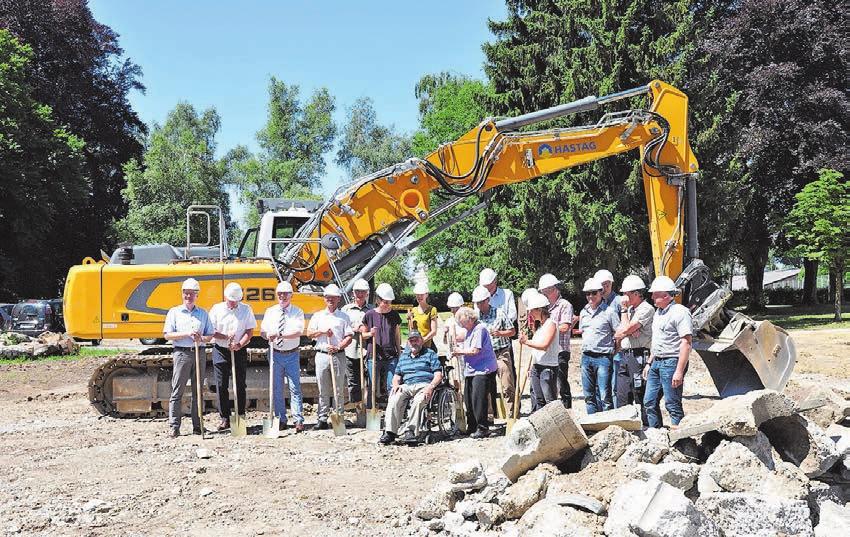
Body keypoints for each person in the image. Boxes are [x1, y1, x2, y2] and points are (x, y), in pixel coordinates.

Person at [163, 278, 214, 438]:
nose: (189, 296)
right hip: (182, 353)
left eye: (192, 293)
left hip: (199, 352)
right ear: (182, 294)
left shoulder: (203, 313)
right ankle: (174, 426)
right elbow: (167, 335)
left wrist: (202, 338)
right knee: (177, 390)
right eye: (186, 293)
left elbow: (210, 335)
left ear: (196, 295)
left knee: (198, 391)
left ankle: (198, 426)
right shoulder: (174, 312)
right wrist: (186, 334)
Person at [642, 276, 693, 428]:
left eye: (655, 294)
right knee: (649, 402)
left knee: (672, 404)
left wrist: (679, 371)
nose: (652, 297)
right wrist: (649, 363)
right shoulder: (658, 313)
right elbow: (657, 341)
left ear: (666, 295)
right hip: (657, 362)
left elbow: (686, 343)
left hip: (672, 362)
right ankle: (656, 434)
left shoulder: (680, 312)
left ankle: (680, 441)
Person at [379, 330, 443, 445]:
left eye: (416, 340)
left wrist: (431, 387)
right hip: (407, 385)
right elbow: (397, 376)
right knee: (394, 397)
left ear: (421, 341)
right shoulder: (403, 357)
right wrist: (395, 385)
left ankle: (411, 431)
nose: (414, 343)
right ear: (408, 343)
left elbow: (438, 374)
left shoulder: (430, 354)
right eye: (411, 340)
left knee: (418, 401)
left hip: (424, 384)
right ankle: (390, 432)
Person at [208, 282, 256, 432]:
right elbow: (210, 330)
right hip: (220, 349)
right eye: (231, 300)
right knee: (221, 385)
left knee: (240, 384)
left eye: (236, 301)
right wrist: (225, 336)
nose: (233, 303)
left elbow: (249, 331)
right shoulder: (216, 309)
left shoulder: (246, 309)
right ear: (225, 297)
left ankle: (240, 416)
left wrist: (240, 344)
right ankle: (225, 418)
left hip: (239, 350)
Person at [260, 281, 306, 432]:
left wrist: (279, 334)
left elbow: (298, 332)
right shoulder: (270, 312)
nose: (282, 296)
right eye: (280, 294)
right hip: (275, 354)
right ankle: (281, 419)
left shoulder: (298, 312)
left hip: (292, 354)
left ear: (291, 295)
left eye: (286, 294)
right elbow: (262, 332)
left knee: (295, 388)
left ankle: (298, 420)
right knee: (277, 389)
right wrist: (267, 335)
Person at [307, 284, 353, 430]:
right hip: (322, 355)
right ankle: (322, 418)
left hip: (338, 355)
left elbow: (349, 337)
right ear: (324, 298)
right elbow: (309, 333)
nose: (330, 299)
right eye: (327, 297)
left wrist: (339, 346)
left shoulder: (344, 317)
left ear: (338, 299)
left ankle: (339, 418)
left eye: (333, 297)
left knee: (338, 389)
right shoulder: (318, 316)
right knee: (323, 389)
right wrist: (321, 332)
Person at [613, 275, 654, 423]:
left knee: (639, 392)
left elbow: (625, 329)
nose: (624, 297)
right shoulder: (631, 310)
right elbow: (619, 333)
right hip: (625, 355)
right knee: (622, 393)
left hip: (638, 355)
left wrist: (626, 325)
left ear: (636, 293)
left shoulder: (646, 309)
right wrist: (628, 330)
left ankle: (645, 425)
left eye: (627, 294)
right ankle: (625, 425)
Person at [452, 306, 498, 439]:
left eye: (462, 322)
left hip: (483, 369)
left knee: (478, 398)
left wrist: (459, 352)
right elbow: (459, 338)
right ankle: (472, 425)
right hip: (471, 369)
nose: (461, 325)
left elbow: (475, 350)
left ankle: (483, 427)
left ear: (470, 319)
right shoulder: (469, 330)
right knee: (468, 398)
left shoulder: (480, 329)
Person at [577, 277, 620, 414]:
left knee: (604, 396)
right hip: (586, 356)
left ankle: (607, 427)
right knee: (589, 396)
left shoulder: (610, 312)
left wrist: (614, 351)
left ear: (601, 293)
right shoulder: (584, 313)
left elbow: (618, 334)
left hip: (603, 358)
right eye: (588, 293)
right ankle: (592, 424)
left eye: (593, 293)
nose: (590, 296)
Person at [472, 285, 516, 416]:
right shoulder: (476, 318)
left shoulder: (500, 313)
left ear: (487, 300)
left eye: (481, 302)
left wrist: (499, 333)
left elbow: (512, 331)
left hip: (501, 352)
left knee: (507, 384)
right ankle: (489, 415)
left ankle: (511, 415)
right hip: (485, 355)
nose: (479, 305)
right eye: (477, 303)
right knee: (486, 386)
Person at [361, 283, 403, 406]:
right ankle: (370, 410)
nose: (387, 305)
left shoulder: (394, 315)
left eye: (389, 302)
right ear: (378, 300)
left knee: (393, 384)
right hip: (374, 355)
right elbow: (363, 335)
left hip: (391, 356)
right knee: (372, 385)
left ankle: (393, 411)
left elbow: (396, 336)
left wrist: (399, 354)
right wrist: (370, 333)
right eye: (385, 302)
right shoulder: (369, 315)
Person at [537, 273, 574, 408]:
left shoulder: (564, 305)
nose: (545, 294)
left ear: (555, 289)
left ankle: (567, 409)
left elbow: (565, 326)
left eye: (547, 291)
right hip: (547, 351)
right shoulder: (544, 307)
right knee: (549, 383)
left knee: (561, 382)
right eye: (543, 292)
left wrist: (549, 330)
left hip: (560, 350)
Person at [520, 291, 560, 411]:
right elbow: (536, 350)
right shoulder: (539, 327)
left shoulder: (551, 324)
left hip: (548, 367)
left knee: (550, 401)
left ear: (540, 310)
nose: (530, 313)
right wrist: (531, 366)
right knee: (539, 400)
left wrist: (526, 341)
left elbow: (544, 345)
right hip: (537, 367)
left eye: (532, 310)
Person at [341, 278, 373, 404]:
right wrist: (356, 329)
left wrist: (365, 330)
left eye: (363, 292)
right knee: (353, 381)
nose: (360, 294)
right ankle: (356, 407)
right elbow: (341, 327)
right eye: (357, 291)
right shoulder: (346, 310)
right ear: (353, 293)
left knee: (369, 380)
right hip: (351, 350)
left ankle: (368, 406)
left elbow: (375, 328)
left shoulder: (371, 309)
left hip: (367, 350)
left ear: (367, 293)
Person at [595, 268, 621, 405]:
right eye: (602, 284)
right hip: (604, 351)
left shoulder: (618, 301)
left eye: (607, 284)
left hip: (616, 351)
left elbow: (621, 329)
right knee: (602, 385)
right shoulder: (599, 303)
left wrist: (617, 348)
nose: (605, 287)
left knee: (615, 385)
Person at [410, 281, 438, 351]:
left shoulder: (432, 310)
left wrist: (423, 340)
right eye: (417, 294)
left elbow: (434, 331)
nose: (419, 297)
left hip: (427, 347)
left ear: (426, 295)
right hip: (416, 347)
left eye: (421, 294)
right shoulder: (413, 310)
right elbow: (412, 330)